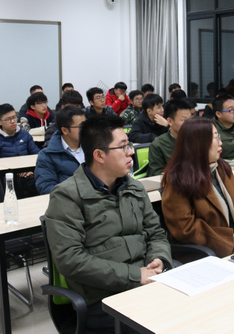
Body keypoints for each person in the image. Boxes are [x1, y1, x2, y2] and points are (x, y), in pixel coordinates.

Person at [45, 114, 172, 332]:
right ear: (99, 155)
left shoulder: (134, 187)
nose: (131, 152)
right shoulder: (67, 196)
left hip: (148, 283)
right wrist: (135, 276)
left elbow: (156, 233)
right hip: (103, 298)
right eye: (123, 147)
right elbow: (70, 260)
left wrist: (159, 260)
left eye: (129, 145)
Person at [161, 118, 234, 257]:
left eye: (219, 137)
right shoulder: (178, 179)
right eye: (215, 138)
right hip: (211, 252)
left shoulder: (221, 168)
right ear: (198, 144)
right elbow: (185, 228)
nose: (220, 143)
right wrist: (233, 243)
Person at [0, 104, 40, 198]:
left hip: (27, 174)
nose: (13, 121)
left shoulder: (24, 134)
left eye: (14, 117)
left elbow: (37, 154)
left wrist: (30, 170)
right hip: (6, 177)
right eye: (8, 119)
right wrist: (16, 172)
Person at [35, 106, 85, 194]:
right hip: (70, 200)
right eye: (81, 126)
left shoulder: (94, 147)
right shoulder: (47, 156)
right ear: (65, 130)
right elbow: (46, 187)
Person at [147, 99, 192, 176]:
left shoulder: (196, 139)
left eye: (190, 119)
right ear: (170, 121)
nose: (189, 124)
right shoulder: (158, 145)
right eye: (184, 120)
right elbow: (156, 173)